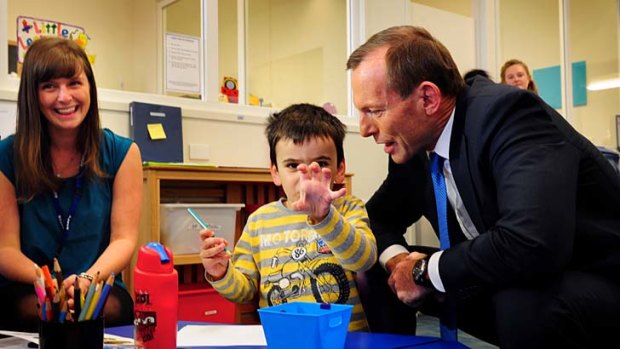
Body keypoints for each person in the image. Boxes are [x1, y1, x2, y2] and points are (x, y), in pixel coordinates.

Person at [347, 25, 620, 348]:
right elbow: (376, 218)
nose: (365, 129)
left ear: (428, 98)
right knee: (379, 269)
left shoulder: (509, 116)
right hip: (514, 273)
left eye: (375, 111)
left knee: (521, 304)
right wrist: (400, 263)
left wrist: (424, 270)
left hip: (596, 277)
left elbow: (533, 243)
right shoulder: (415, 147)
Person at [0, 37, 142, 330]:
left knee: (111, 308)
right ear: (33, 95)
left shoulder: (123, 153)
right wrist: (47, 282)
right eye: (50, 86)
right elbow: (5, 249)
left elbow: (124, 240)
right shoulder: (7, 156)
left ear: (89, 87)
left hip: (96, 284)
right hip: (32, 286)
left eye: (74, 83)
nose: (64, 97)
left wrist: (88, 279)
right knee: (36, 310)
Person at [199, 103, 377, 331]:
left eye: (321, 163)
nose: (307, 174)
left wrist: (325, 216)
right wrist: (220, 272)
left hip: (343, 339)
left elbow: (363, 260)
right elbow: (243, 292)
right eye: (293, 165)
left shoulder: (348, 208)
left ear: (340, 169)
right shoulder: (258, 221)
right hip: (283, 338)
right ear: (275, 172)